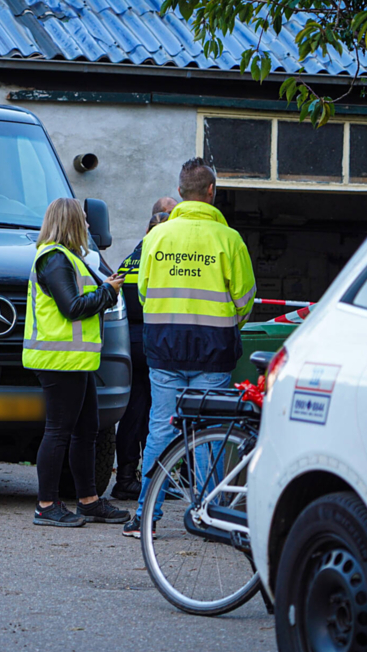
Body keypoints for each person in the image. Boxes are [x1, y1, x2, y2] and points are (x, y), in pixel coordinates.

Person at [123, 159, 256, 538]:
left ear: (180, 193)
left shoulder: (156, 238)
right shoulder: (229, 240)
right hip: (213, 351)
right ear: (211, 192)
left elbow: (145, 293)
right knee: (209, 432)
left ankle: (145, 515)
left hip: (164, 348)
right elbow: (245, 299)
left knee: (162, 431)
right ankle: (209, 513)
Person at [23, 197, 132, 527]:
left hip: (75, 360)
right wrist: (108, 293)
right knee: (58, 431)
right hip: (59, 360)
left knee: (87, 430)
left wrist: (107, 286)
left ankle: (88, 501)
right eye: (83, 220)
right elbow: (71, 307)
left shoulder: (68, 258)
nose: (87, 225)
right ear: (70, 222)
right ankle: (46, 505)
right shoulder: (54, 260)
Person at [111, 199, 176, 500]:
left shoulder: (131, 257)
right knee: (157, 414)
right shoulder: (162, 255)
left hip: (129, 342)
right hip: (154, 341)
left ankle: (125, 477)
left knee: (133, 412)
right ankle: (157, 480)